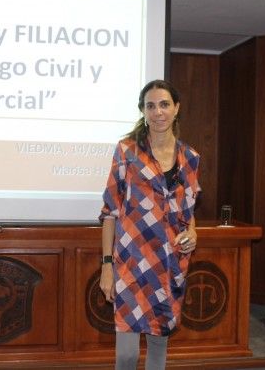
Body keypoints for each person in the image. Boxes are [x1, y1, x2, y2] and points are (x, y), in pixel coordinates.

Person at [98, 79, 201, 370]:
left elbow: (188, 210)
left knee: (158, 348)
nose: (158, 112)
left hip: (169, 264)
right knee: (127, 355)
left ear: (176, 108)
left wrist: (193, 232)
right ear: (143, 111)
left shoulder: (190, 158)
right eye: (151, 106)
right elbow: (109, 212)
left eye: (164, 104)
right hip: (130, 263)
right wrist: (107, 265)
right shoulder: (127, 152)